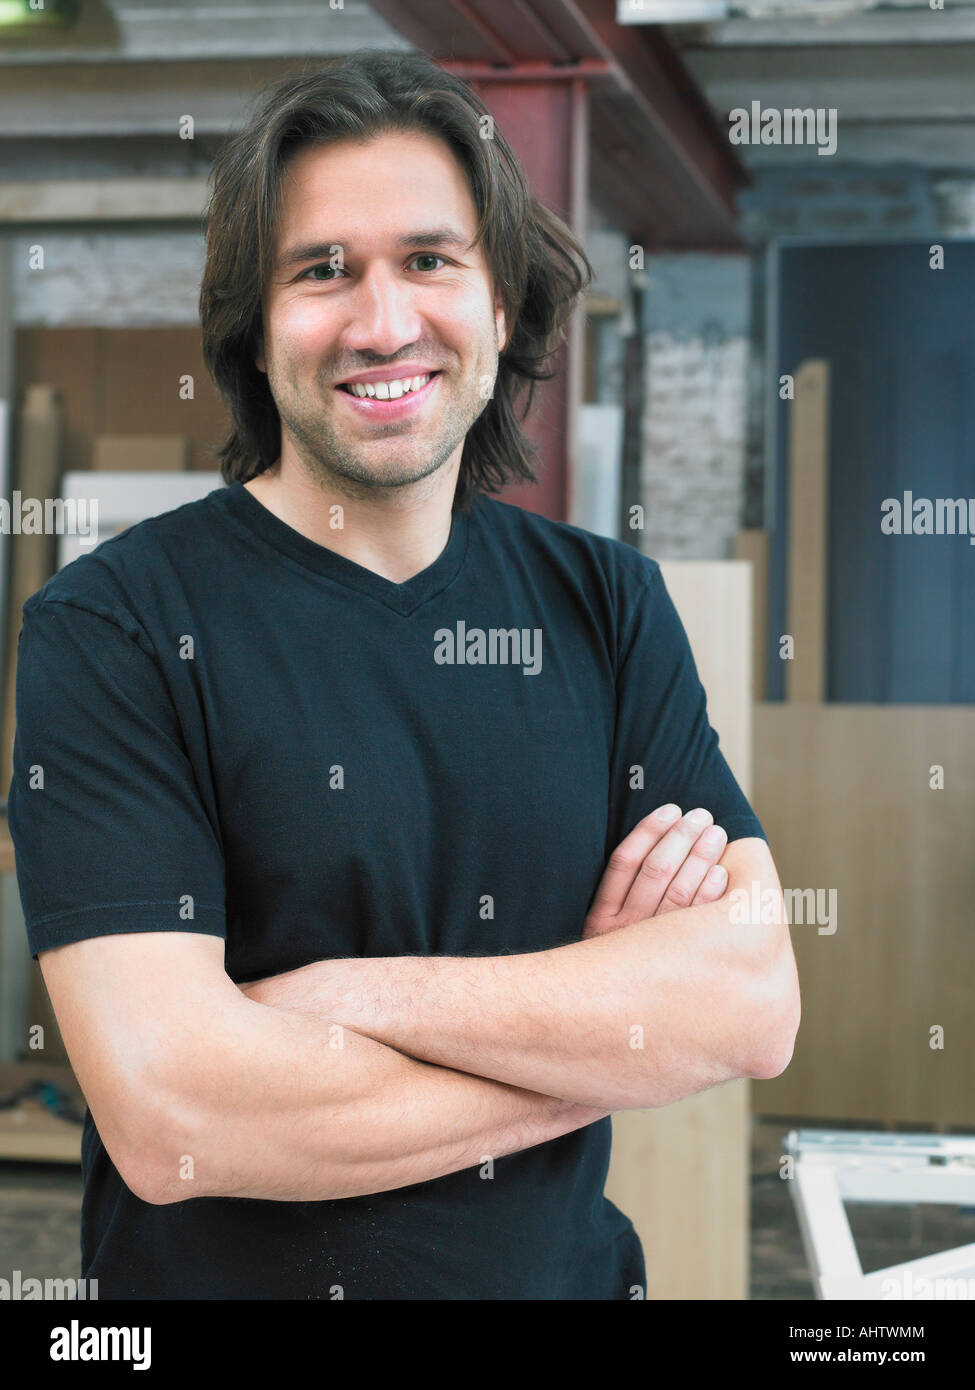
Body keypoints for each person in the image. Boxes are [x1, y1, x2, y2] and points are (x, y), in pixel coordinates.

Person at [8, 49, 799, 1300]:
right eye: (323, 270)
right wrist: (603, 1039)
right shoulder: (116, 631)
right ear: (254, 334)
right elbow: (177, 1121)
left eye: (431, 259)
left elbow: (749, 1002)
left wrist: (341, 997)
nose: (383, 323)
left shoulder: (608, 607)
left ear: (499, 307)